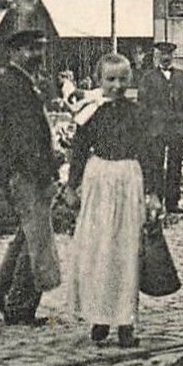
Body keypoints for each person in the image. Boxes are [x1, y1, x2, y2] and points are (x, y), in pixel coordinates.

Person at [62, 54, 162, 347]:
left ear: (130, 80)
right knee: (100, 250)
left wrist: (153, 193)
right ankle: (99, 316)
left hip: (129, 180)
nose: (117, 86)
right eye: (110, 79)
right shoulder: (90, 112)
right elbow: (79, 151)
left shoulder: (137, 112)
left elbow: (150, 154)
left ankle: (125, 321)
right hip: (99, 182)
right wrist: (72, 186)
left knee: (126, 251)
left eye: (122, 79)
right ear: (99, 81)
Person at [0, 29, 61, 327]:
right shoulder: (11, 86)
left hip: (23, 170)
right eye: (29, 49)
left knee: (26, 235)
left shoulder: (17, 84)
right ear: (13, 53)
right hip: (25, 172)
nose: (36, 54)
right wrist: (44, 172)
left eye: (40, 48)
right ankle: (20, 306)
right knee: (36, 239)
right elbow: (21, 139)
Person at [138, 41, 183, 214]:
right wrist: (143, 126)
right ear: (157, 56)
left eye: (169, 55)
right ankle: (157, 201)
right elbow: (142, 103)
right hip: (156, 129)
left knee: (175, 165)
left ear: (173, 56)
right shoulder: (148, 78)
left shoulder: (181, 76)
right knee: (156, 164)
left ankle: (173, 202)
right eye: (162, 54)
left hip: (177, 128)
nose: (165, 58)